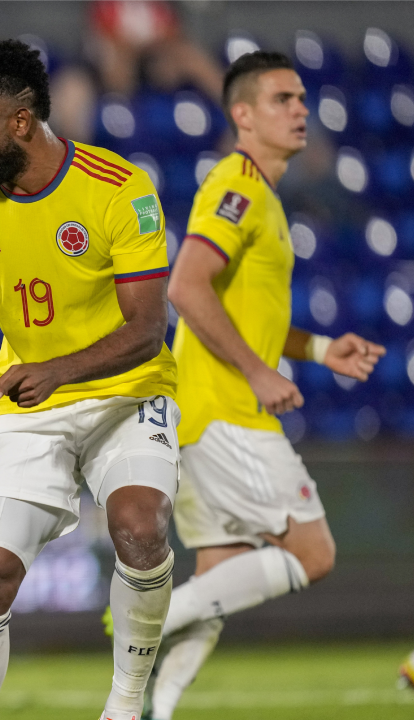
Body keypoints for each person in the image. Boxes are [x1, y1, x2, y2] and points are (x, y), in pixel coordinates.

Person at [0, 38, 179, 720]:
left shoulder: (119, 189)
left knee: (140, 529)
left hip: (129, 391)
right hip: (31, 407)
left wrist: (55, 372)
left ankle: (124, 705)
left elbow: (148, 329)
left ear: (19, 122)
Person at [145, 51, 384, 720]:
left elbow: (246, 314)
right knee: (313, 552)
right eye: (283, 98)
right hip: (225, 409)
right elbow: (185, 287)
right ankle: (149, 619)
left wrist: (317, 348)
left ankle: (151, 710)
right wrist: (257, 372)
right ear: (243, 115)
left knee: (222, 577)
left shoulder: (263, 197)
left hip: (200, 411)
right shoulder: (239, 187)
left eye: (302, 97)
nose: (300, 108)